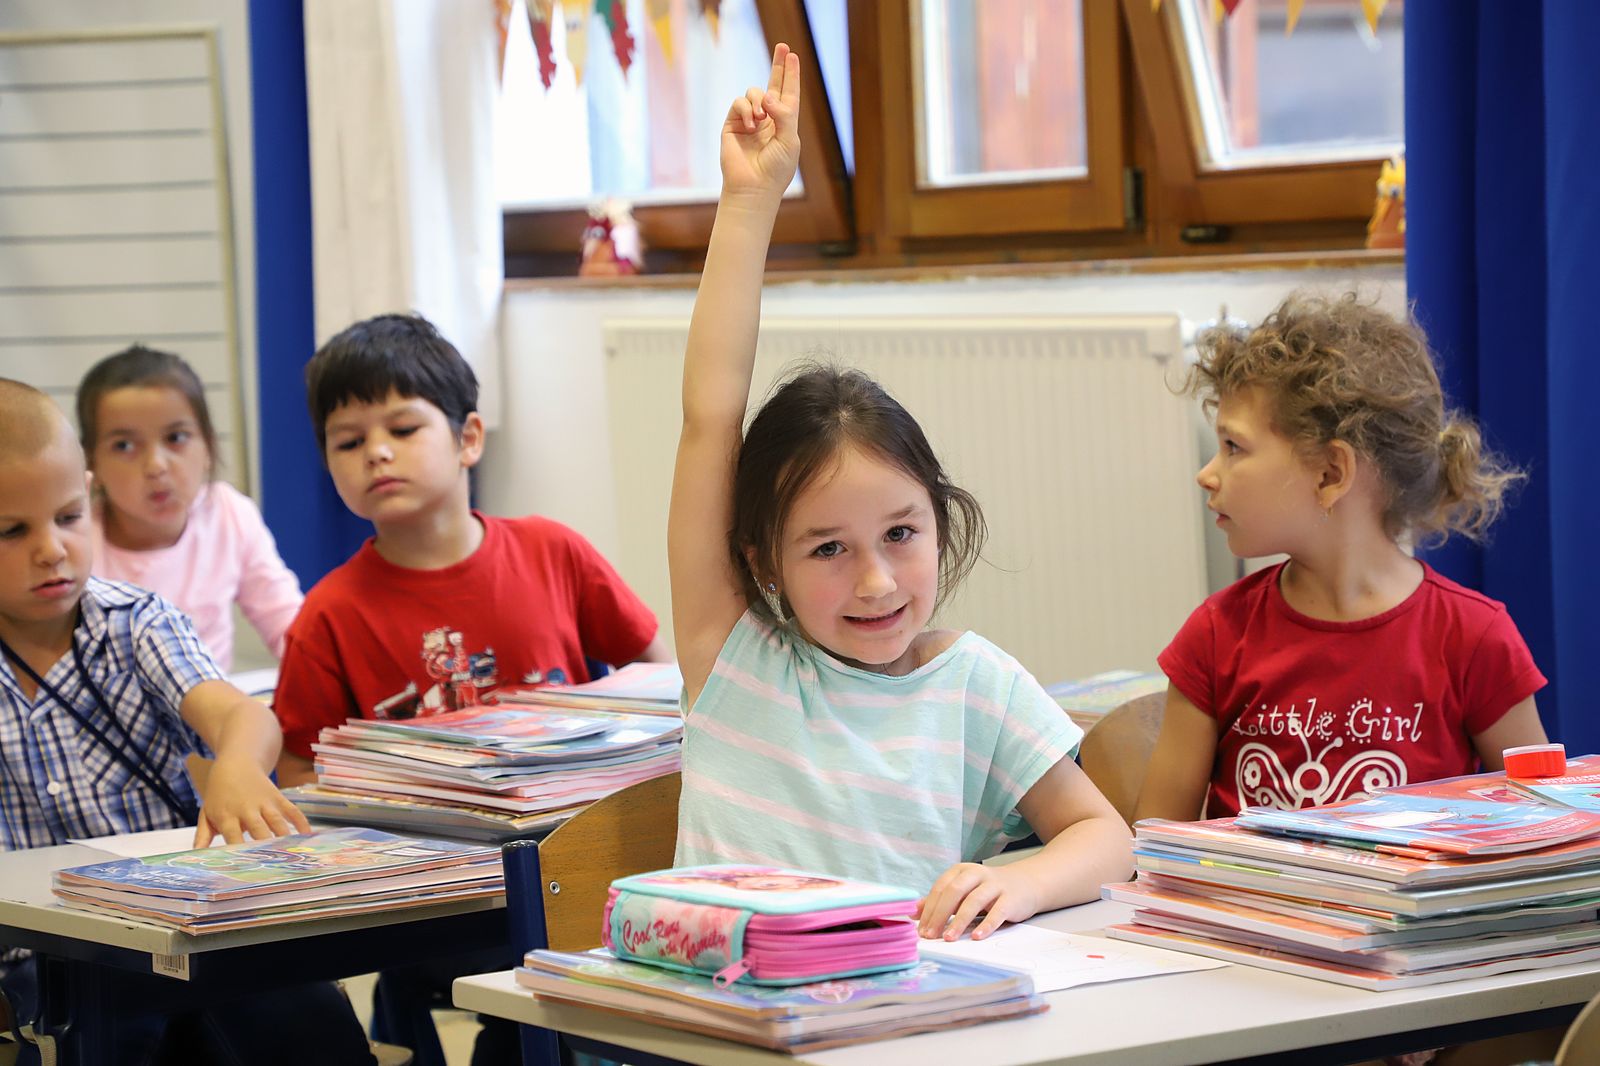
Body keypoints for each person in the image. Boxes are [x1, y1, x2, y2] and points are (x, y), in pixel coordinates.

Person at [668, 44, 1131, 945]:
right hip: (731, 1006)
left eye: (901, 533)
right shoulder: (733, 659)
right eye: (827, 548)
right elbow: (708, 417)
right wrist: (750, 202)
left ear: (939, 520)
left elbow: (1105, 836)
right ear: (763, 560)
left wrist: (1019, 882)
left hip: (893, 1006)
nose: (877, 580)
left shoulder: (977, 687)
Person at [272, 312, 669, 1066]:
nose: (376, 452)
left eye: (402, 428)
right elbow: (298, 775)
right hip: (438, 903)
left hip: (586, 869)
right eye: (348, 442)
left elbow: (658, 684)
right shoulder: (327, 615)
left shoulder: (553, 552)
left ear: (469, 438)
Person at [0, 380, 372, 1065]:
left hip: (185, 926)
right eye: (12, 531)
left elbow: (241, 714)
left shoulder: (137, 622)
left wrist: (238, 767)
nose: (51, 549)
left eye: (69, 516)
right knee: (108, 1032)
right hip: (40, 960)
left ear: (89, 498)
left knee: (303, 1018)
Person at [1135, 293, 1549, 826]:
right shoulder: (1214, 636)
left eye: (1234, 447)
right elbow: (1156, 845)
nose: (1207, 474)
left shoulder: (1475, 639)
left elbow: (1546, 830)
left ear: (1331, 474)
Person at [77, 345, 303, 671]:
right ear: (91, 461)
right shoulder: (76, 542)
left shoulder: (229, 514)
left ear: (208, 446)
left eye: (176, 438)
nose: (156, 466)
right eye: (124, 445)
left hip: (213, 702)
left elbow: (289, 625)